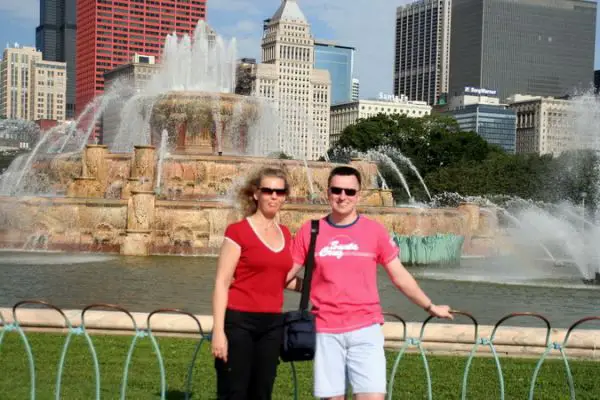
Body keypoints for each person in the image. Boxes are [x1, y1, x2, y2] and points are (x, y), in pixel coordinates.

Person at [286, 165, 454, 400]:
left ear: (359, 195)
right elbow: (284, 276)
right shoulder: (311, 230)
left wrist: (430, 306)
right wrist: (310, 287)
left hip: (366, 328)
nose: (342, 196)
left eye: (349, 192)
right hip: (326, 330)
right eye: (336, 190)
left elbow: (400, 276)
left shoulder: (374, 231)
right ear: (327, 192)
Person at [211, 166, 296, 400]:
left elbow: (281, 279)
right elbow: (222, 282)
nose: (273, 196)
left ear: (285, 196)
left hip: (272, 325)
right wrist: (219, 332)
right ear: (256, 194)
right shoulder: (238, 231)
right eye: (267, 190)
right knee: (234, 392)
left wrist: (318, 286)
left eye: (279, 192)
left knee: (262, 392)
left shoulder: (286, 234)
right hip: (240, 322)